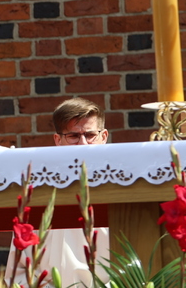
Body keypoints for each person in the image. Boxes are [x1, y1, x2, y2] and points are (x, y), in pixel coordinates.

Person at [6, 97, 109, 287]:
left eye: (90, 135)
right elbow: (19, 269)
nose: (83, 144)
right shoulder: (38, 191)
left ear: (103, 137)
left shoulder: (121, 188)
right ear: (58, 140)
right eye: (73, 136)